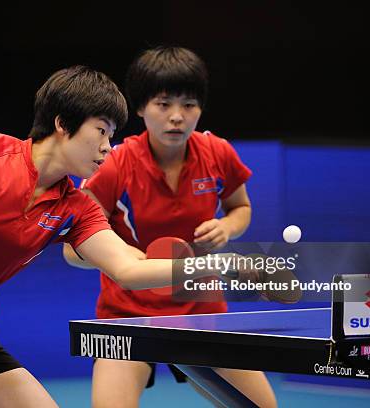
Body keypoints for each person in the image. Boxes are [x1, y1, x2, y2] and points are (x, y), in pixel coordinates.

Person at [0, 66, 228, 408]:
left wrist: (218, 266)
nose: (107, 148)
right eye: (101, 131)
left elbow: (127, 268)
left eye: (111, 136)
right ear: (63, 124)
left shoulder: (76, 208)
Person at [63, 47, 277, 407]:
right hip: (127, 314)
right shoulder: (114, 165)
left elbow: (240, 208)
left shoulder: (218, 152)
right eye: (164, 104)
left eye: (189, 104)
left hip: (201, 310)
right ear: (141, 107)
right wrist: (120, 259)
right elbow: (73, 249)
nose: (177, 117)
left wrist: (227, 227)